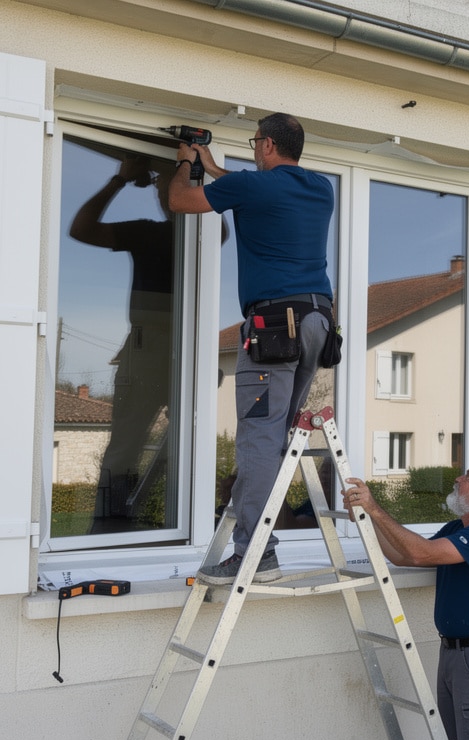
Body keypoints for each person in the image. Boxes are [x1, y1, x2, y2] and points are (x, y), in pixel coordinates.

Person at [169, 113, 334, 585]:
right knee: (276, 433)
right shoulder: (321, 188)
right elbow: (250, 187)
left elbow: (181, 201)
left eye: (255, 141)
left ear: (265, 145)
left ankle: (255, 553)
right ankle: (260, 533)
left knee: (259, 439)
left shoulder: (251, 188)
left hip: (273, 329)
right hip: (318, 322)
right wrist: (217, 167)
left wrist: (188, 164)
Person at [343, 459, 469, 740]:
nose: (458, 479)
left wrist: (375, 508)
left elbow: (419, 551)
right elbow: (403, 555)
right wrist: (365, 518)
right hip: (454, 653)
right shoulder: (458, 529)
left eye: (468, 477)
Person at [69, 155, 176, 530]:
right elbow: (82, 230)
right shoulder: (150, 233)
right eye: (161, 185)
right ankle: (108, 528)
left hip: (180, 347)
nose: (160, 190)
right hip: (150, 348)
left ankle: (170, 522)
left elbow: (221, 231)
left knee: (177, 443)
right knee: (126, 445)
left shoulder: (201, 235)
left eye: (166, 183)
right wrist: (118, 182)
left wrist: (126, 180)